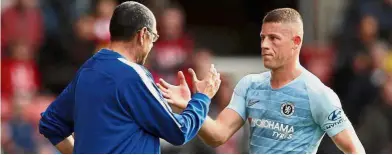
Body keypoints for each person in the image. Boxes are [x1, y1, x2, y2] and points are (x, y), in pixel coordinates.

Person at [158, 8, 365, 154]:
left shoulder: (318, 94)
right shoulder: (250, 85)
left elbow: (355, 150)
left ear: (296, 42)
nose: (265, 45)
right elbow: (218, 135)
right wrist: (191, 105)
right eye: (262, 37)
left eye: (274, 38)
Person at [38, 1, 221, 154]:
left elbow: (51, 124)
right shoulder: (133, 74)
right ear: (143, 35)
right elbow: (179, 132)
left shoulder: (88, 69)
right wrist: (201, 99)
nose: (151, 47)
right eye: (154, 38)